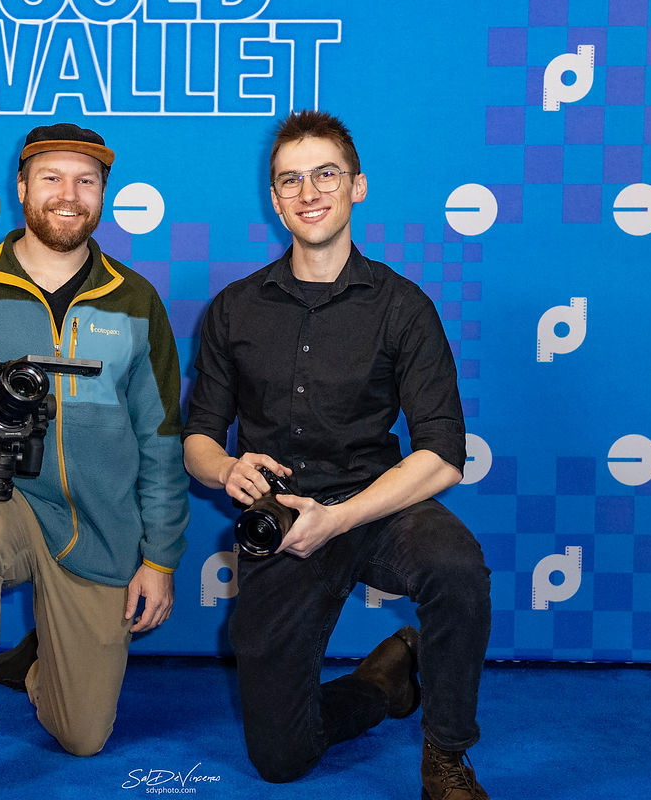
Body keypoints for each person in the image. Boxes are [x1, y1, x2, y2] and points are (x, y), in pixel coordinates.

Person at [182, 110, 491, 799]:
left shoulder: (404, 306)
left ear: (357, 186)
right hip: (281, 523)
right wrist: (226, 468)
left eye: (326, 173)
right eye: (290, 179)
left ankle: (447, 756)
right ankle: (383, 682)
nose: (309, 191)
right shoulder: (234, 309)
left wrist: (342, 516)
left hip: (378, 506)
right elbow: (198, 438)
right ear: (274, 199)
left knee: (457, 566)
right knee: (281, 759)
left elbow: (444, 454)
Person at [0, 122, 190, 800]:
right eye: (51, 177)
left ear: (103, 196)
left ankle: (32, 663)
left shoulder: (135, 299)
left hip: (100, 525)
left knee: (83, 735)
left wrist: (161, 559)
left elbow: (162, 439)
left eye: (86, 181)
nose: (68, 194)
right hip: (2, 499)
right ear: (21, 188)